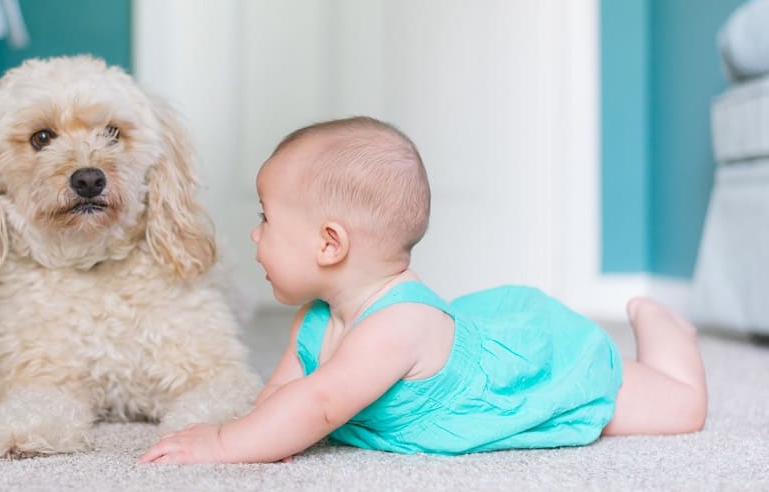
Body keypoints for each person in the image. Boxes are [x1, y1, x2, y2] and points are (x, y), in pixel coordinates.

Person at [138, 116, 708, 464]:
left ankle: (663, 328)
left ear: (329, 244)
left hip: (530, 368)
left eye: (267, 220)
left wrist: (221, 445)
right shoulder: (314, 320)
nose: (255, 234)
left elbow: (318, 404)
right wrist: (260, 435)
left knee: (681, 409)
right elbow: (284, 397)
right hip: (466, 335)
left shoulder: (394, 328)